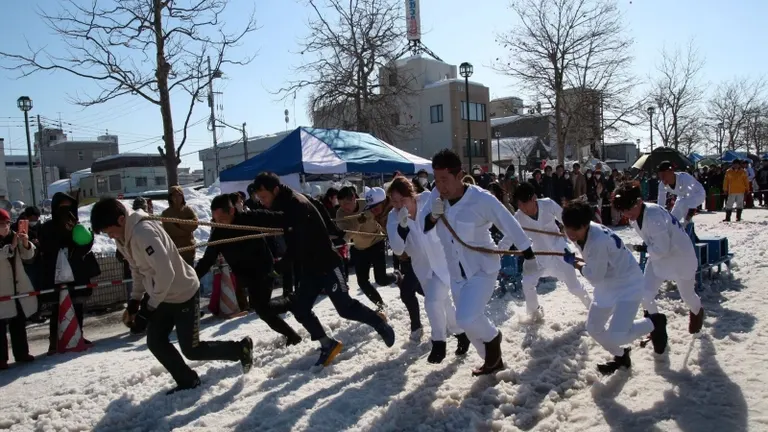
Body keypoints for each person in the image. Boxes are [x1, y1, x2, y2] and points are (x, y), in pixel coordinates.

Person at [90, 198, 253, 395]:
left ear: (121, 219)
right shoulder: (123, 237)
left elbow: (166, 274)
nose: (110, 237)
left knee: (192, 349)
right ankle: (188, 380)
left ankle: (240, 349)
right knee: (156, 342)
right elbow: (138, 269)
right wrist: (134, 301)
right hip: (162, 295)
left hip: (183, 291)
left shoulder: (144, 233)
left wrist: (148, 309)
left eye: (109, 231)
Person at [249, 173, 395, 366]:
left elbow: (294, 238)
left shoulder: (294, 204)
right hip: (311, 268)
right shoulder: (287, 201)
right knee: (301, 309)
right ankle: (328, 344)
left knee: (345, 308)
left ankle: (378, 322)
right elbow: (311, 209)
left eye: (265, 197)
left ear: (275, 190)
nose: (263, 202)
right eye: (260, 199)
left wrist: (284, 262)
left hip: (328, 263)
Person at [424, 149, 538, 376]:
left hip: (482, 269)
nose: (440, 185)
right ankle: (492, 361)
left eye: (445, 179)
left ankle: (494, 337)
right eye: (436, 180)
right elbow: (423, 227)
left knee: (466, 316)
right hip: (456, 272)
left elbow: (508, 222)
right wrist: (433, 216)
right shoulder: (436, 197)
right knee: (467, 323)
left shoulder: (481, 199)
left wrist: (528, 253)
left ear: (460, 175)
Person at [560, 200, 667, 375]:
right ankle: (621, 356)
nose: (570, 235)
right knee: (594, 328)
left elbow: (594, 276)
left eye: (575, 230)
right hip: (607, 285)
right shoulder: (583, 229)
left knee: (618, 335)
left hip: (628, 285)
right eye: (567, 229)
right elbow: (596, 269)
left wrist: (575, 264)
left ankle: (654, 322)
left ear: (586, 225)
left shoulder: (598, 241)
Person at [195, 194, 302, 345]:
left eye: (221, 218)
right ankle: (292, 334)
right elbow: (207, 259)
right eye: (215, 219)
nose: (218, 222)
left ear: (232, 211)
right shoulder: (219, 232)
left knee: (262, 308)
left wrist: (297, 219)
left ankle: (291, 302)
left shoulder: (249, 218)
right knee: (263, 311)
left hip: (264, 270)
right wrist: (193, 277)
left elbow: (276, 218)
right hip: (247, 276)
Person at [386, 177, 471, 360]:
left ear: (412, 195)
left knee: (432, 301)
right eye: (394, 201)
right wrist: (402, 228)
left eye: (403, 200)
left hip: (444, 261)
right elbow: (398, 249)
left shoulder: (426, 199)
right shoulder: (393, 217)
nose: (399, 205)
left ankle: (438, 342)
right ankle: (461, 334)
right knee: (443, 303)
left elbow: (445, 196)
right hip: (423, 268)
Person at [612, 182, 705, 334]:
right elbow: (656, 247)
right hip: (657, 257)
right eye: (623, 211)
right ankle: (656, 326)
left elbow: (662, 249)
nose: (627, 214)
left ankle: (697, 311)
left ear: (639, 202)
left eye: (629, 209)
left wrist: (636, 248)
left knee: (687, 295)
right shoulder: (634, 218)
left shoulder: (653, 215)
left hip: (680, 256)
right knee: (645, 294)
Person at [513, 183, 591, 321]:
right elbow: (509, 236)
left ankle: (591, 307)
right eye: (519, 204)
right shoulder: (517, 217)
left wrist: (578, 239)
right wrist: (498, 251)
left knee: (574, 287)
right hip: (539, 256)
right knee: (527, 283)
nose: (522, 208)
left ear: (534, 198)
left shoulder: (548, 204)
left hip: (560, 252)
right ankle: (534, 314)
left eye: (524, 203)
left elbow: (566, 220)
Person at [38, 192, 100, 354]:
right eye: (62, 206)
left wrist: (81, 234)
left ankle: (78, 336)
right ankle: (54, 342)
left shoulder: (77, 224)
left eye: (69, 206)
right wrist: (64, 233)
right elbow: (47, 248)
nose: (66, 210)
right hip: (56, 274)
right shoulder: (48, 227)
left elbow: (84, 247)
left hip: (76, 273)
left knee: (77, 306)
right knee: (57, 309)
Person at [335, 186, 398, 317]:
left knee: (381, 279)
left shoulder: (367, 203)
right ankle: (380, 305)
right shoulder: (340, 214)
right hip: (359, 248)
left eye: (347, 203)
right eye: (341, 204)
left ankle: (397, 276)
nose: (344, 207)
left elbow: (383, 213)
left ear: (354, 198)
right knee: (362, 282)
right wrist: (358, 221)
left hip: (376, 242)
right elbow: (347, 235)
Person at [0, 209, 37, 369]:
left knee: (18, 322)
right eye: (2, 224)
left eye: (7, 223)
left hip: (16, 286)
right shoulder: (9, 241)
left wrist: (25, 243)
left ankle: (22, 353)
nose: (6, 227)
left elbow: (28, 256)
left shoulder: (14, 235)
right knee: (0, 327)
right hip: (1, 288)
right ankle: (1, 359)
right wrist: (11, 246)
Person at [656, 161, 706, 226]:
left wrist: (686, 222)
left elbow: (691, 205)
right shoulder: (662, 184)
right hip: (682, 197)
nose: (662, 178)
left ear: (671, 172)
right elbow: (660, 203)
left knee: (685, 208)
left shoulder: (684, 179)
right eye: (660, 176)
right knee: (672, 220)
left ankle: (689, 228)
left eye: (664, 175)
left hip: (698, 194)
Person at [160, 186, 198, 266]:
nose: (177, 198)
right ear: (170, 197)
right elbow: (166, 231)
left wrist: (180, 223)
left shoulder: (187, 210)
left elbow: (194, 224)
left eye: (179, 195)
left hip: (188, 248)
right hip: (174, 250)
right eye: (174, 196)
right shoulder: (166, 213)